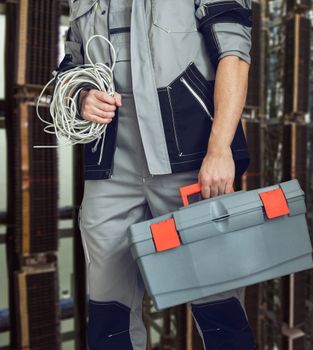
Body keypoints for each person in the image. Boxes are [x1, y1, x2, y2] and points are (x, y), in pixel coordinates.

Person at [57, 0, 255, 348]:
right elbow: (72, 67)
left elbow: (234, 53)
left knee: (218, 305)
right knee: (108, 309)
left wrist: (220, 148)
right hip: (111, 165)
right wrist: (83, 96)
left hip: (190, 160)